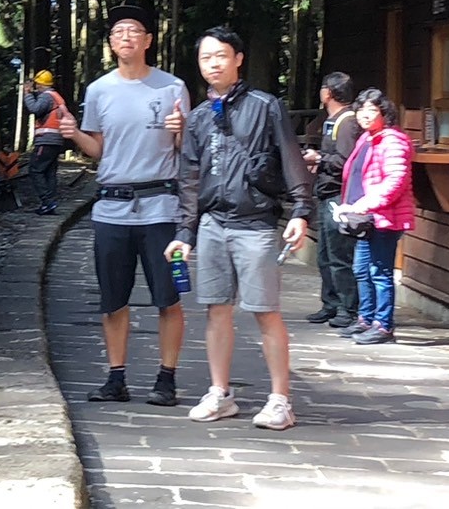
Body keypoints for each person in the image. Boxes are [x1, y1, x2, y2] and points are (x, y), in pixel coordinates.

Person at [165, 27, 314, 429]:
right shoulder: (197, 118)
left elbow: (289, 155)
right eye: (205, 58)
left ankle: (280, 399)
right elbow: (190, 177)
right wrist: (184, 233)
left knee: (265, 311)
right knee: (216, 310)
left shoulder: (265, 106)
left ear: (238, 59)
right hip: (213, 223)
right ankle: (220, 393)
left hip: (255, 224)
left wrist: (301, 210)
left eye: (220, 56)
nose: (213, 64)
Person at [60, 4, 191, 407]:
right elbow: (99, 151)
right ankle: (116, 378)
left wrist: (182, 131)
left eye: (134, 31)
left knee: (168, 297)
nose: (126, 37)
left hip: (162, 209)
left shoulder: (172, 88)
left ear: (149, 41)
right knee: (112, 300)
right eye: (118, 32)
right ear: (111, 43)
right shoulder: (98, 90)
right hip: (111, 209)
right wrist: (73, 134)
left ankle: (166, 378)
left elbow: (189, 153)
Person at [334, 87, 415, 345]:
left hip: (384, 216)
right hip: (366, 216)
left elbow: (395, 180)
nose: (365, 114)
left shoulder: (392, 140)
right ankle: (366, 319)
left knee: (380, 271)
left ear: (384, 113)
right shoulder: (367, 138)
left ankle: (384, 326)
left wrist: (367, 203)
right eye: (361, 109)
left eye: (372, 109)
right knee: (361, 269)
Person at [303, 72, 361, 328]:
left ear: (328, 93)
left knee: (339, 256)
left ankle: (347, 308)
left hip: (339, 195)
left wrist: (319, 159)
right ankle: (331, 304)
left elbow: (345, 160)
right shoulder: (334, 120)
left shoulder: (347, 122)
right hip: (326, 193)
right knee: (325, 255)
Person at [23, 70, 69, 215]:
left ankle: (47, 202)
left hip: (46, 140)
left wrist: (27, 94)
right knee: (49, 172)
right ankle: (50, 203)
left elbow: (35, 109)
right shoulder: (56, 97)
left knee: (35, 170)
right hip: (56, 140)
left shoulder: (46, 97)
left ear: (40, 83)